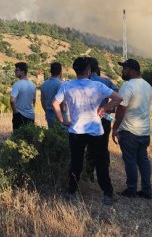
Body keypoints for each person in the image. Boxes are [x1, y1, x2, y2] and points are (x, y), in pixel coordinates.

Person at [53, 57, 123, 205]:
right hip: (95, 130)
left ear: (75, 70)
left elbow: (55, 103)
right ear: (89, 70)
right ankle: (108, 194)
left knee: (76, 162)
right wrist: (104, 109)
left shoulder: (67, 86)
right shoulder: (97, 86)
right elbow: (118, 98)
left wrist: (62, 120)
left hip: (76, 130)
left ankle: (71, 192)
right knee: (101, 162)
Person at [111, 58, 152, 199]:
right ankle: (147, 190)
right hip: (144, 130)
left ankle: (131, 190)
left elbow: (121, 109)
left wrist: (115, 127)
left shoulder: (128, 86)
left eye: (125, 68)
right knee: (143, 160)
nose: (123, 71)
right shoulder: (148, 85)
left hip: (129, 131)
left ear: (132, 70)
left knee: (130, 161)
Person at [84, 57, 119, 181]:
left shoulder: (82, 82)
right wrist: (108, 108)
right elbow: (119, 95)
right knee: (103, 147)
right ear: (97, 68)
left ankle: (88, 174)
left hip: (87, 118)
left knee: (89, 146)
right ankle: (104, 174)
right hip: (103, 117)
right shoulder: (106, 81)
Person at [10, 62, 36, 131]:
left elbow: (12, 101)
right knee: (29, 138)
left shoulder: (17, 84)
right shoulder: (33, 85)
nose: (15, 71)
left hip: (19, 115)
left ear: (23, 71)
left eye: (17, 70)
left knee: (17, 138)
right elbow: (34, 100)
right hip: (31, 115)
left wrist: (15, 113)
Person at [40, 62, 66, 129]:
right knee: (63, 136)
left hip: (49, 113)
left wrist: (46, 111)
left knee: (52, 135)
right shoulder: (60, 84)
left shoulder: (44, 84)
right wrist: (64, 110)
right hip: (59, 113)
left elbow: (42, 101)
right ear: (60, 72)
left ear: (51, 71)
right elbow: (62, 102)